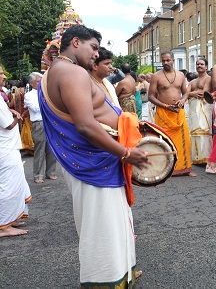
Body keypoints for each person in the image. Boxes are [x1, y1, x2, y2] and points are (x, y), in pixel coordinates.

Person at [38, 25, 148, 287]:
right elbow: (86, 125)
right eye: (94, 48)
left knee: (114, 223)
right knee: (103, 228)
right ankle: (105, 281)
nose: (96, 55)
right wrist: (126, 152)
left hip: (100, 159)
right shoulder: (70, 72)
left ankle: (122, 275)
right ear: (76, 42)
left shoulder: (60, 70)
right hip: (93, 162)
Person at [149, 51, 196, 177]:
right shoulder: (156, 76)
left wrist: (182, 100)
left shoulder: (180, 75)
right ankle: (166, 169)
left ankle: (185, 168)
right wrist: (165, 106)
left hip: (178, 112)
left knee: (184, 140)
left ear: (173, 60)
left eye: (168, 60)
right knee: (164, 141)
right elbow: (151, 96)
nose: (165, 63)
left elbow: (186, 92)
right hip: (163, 112)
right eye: (163, 60)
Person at [0, 65, 32, 238]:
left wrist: (11, 110)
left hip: (8, 147)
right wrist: (16, 115)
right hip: (5, 149)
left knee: (16, 182)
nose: (4, 76)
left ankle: (11, 217)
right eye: (0, 74)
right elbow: (8, 124)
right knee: (8, 185)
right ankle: (4, 226)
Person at [24, 72, 58, 184]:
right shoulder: (29, 95)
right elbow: (36, 108)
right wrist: (47, 104)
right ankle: (38, 175)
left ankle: (50, 172)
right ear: (32, 83)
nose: (41, 83)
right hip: (39, 123)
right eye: (39, 81)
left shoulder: (46, 93)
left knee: (51, 148)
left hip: (49, 122)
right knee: (39, 149)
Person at [187, 58, 213, 164]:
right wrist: (192, 93)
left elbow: (204, 93)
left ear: (206, 66)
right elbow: (185, 93)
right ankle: (196, 157)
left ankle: (205, 157)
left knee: (204, 131)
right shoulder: (192, 81)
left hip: (204, 108)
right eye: (197, 64)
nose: (199, 66)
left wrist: (192, 92)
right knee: (194, 131)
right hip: (193, 109)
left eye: (202, 64)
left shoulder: (209, 79)